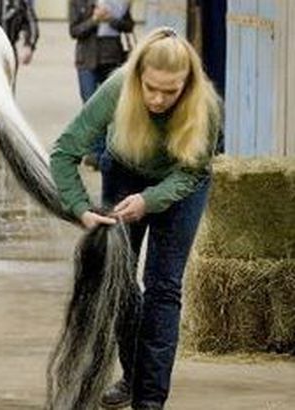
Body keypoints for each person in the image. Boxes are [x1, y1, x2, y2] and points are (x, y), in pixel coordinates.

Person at [50, 27, 222, 409]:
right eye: (151, 88)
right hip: (125, 171)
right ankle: (132, 376)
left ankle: (150, 400)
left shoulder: (206, 106)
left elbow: (193, 172)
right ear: (138, 77)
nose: (159, 99)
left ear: (187, 84)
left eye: (171, 91)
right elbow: (63, 152)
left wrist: (151, 200)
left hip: (181, 181)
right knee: (121, 283)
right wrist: (80, 208)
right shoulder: (116, 88)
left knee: (163, 288)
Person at [69, 0, 134, 169]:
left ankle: (103, 153)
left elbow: (128, 26)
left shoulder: (118, 3)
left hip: (113, 59)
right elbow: (74, 31)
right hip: (87, 61)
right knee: (91, 106)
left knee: (111, 108)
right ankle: (96, 152)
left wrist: (111, 19)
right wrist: (95, 20)